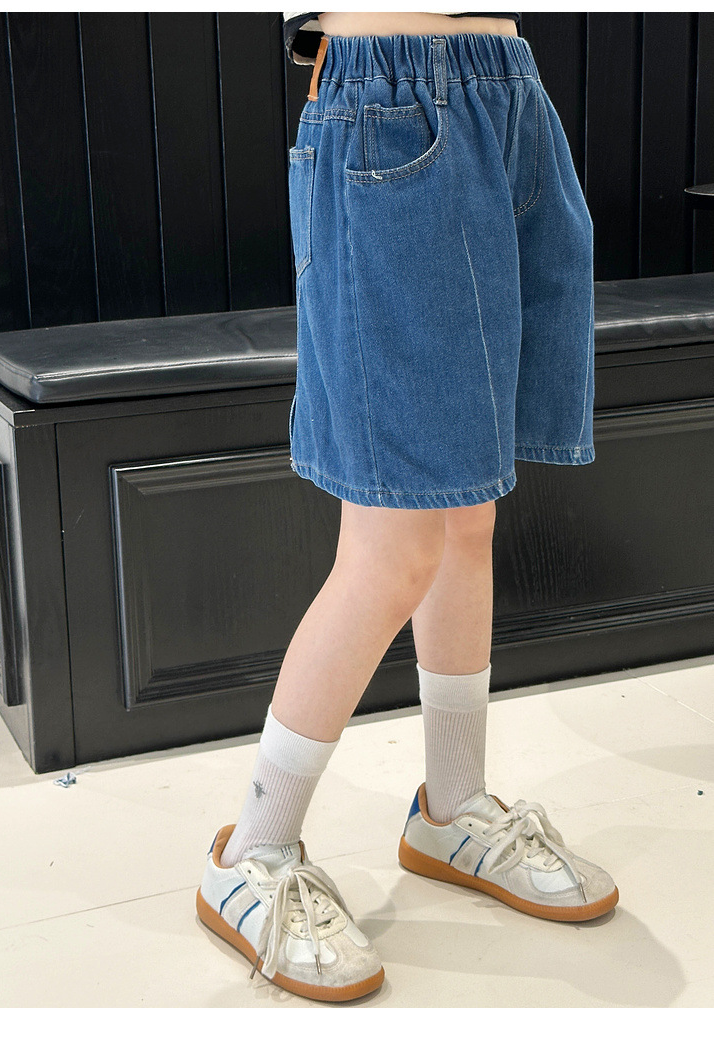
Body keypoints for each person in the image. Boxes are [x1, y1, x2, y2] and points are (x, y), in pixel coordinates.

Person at [195, 11, 619, 1003]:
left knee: (468, 515)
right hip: (389, 96)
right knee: (393, 548)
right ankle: (250, 852)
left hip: (506, 88)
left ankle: (452, 808)